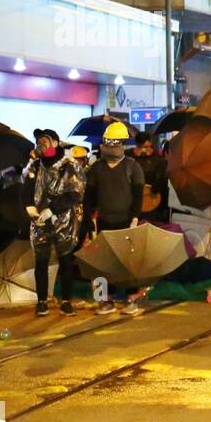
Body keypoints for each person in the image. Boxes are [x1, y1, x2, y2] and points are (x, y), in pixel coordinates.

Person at [22, 128, 86, 316]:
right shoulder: (34, 165)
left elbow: (76, 193)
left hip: (64, 220)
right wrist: (29, 207)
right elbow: (25, 185)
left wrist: (53, 209)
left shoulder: (70, 165)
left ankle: (66, 301)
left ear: (56, 143)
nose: (41, 145)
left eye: (45, 141)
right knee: (40, 261)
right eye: (39, 141)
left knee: (65, 260)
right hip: (40, 220)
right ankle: (42, 301)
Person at [84, 123, 145, 314]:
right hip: (103, 222)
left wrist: (135, 218)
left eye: (114, 144)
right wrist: (89, 220)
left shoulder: (132, 167)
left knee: (128, 262)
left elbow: (138, 196)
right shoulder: (96, 169)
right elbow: (89, 197)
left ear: (122, 144)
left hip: (126, 222)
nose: (110, 148)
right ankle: (104, 300)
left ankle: (132, 299)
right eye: (107, 144)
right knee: (102, 263)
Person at [132, 131, 169, 223]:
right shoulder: (129, 157)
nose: (148, 150)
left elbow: (162, 178)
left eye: (149, 146)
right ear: (137, 146)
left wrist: (155, 190)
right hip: (133, 201)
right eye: (144, 147)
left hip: (153, 201)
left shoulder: (158, 159)